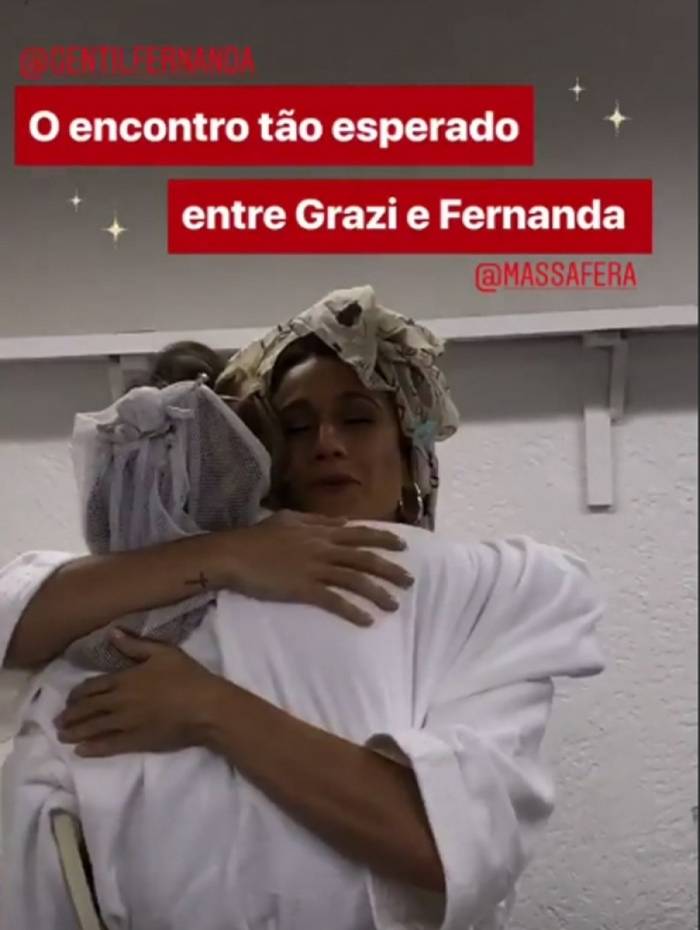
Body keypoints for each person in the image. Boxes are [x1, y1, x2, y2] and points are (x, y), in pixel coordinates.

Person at [0, 285, 605, 930]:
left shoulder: (485, 586)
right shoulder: (175, 580)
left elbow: (449, 842)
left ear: (411, 453)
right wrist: (229, 553)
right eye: (296, 426)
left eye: (358, 419)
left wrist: (207, 707)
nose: (326, 443)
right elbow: (17, 622)